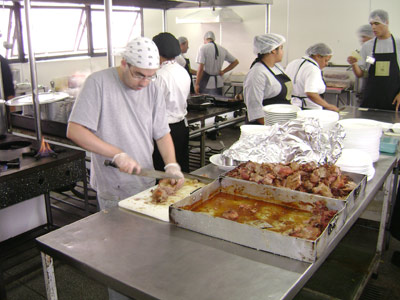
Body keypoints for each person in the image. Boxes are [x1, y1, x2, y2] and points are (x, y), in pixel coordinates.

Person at [152, 32, 191, 173]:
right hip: (181, 127)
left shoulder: (160, 76)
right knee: (181, 169)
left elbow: (152, 106)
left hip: (164, 132)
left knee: (163, 173)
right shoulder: (182, 71)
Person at [347, 9, 400, 111]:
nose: (373, 27)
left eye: (377, 23)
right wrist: (354, 64)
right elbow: (360, 74)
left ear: (387, 22)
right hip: (372, 97)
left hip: (393, 98)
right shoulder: (368, 46)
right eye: (371, 24)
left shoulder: (398, 44)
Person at [243, 33, 292, 125]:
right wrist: (275, 129)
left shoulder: (277, 67)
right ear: (273, 50)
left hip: (279, 123)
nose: (283, 52)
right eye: (281, 48)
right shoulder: (257, 73)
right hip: (264, 127)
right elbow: (255, 109)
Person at [285, 43, 339, 111]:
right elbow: (311, 93)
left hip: (292, 106)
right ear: (318, 56)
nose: (326, 64)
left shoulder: (293, 63)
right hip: (309, 109)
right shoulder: (313, 68)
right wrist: (328, 106)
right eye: (326, 60)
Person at [195, 31, 239, 95]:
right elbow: (235, 62)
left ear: (205, 39)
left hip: (206, 83)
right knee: (217, 103)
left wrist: (196, 84)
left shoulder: (203, 48)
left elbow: (201, 68)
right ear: (214, 39)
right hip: (218, 84)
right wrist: (223, 71)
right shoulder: (222, 49)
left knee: (206, 102)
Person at [352, 24, 375, 103]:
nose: (362, 40)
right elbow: (360, 73)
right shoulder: (366, 50)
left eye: (364, 37)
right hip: (367, 88)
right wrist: (354, 63)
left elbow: (373, 63)